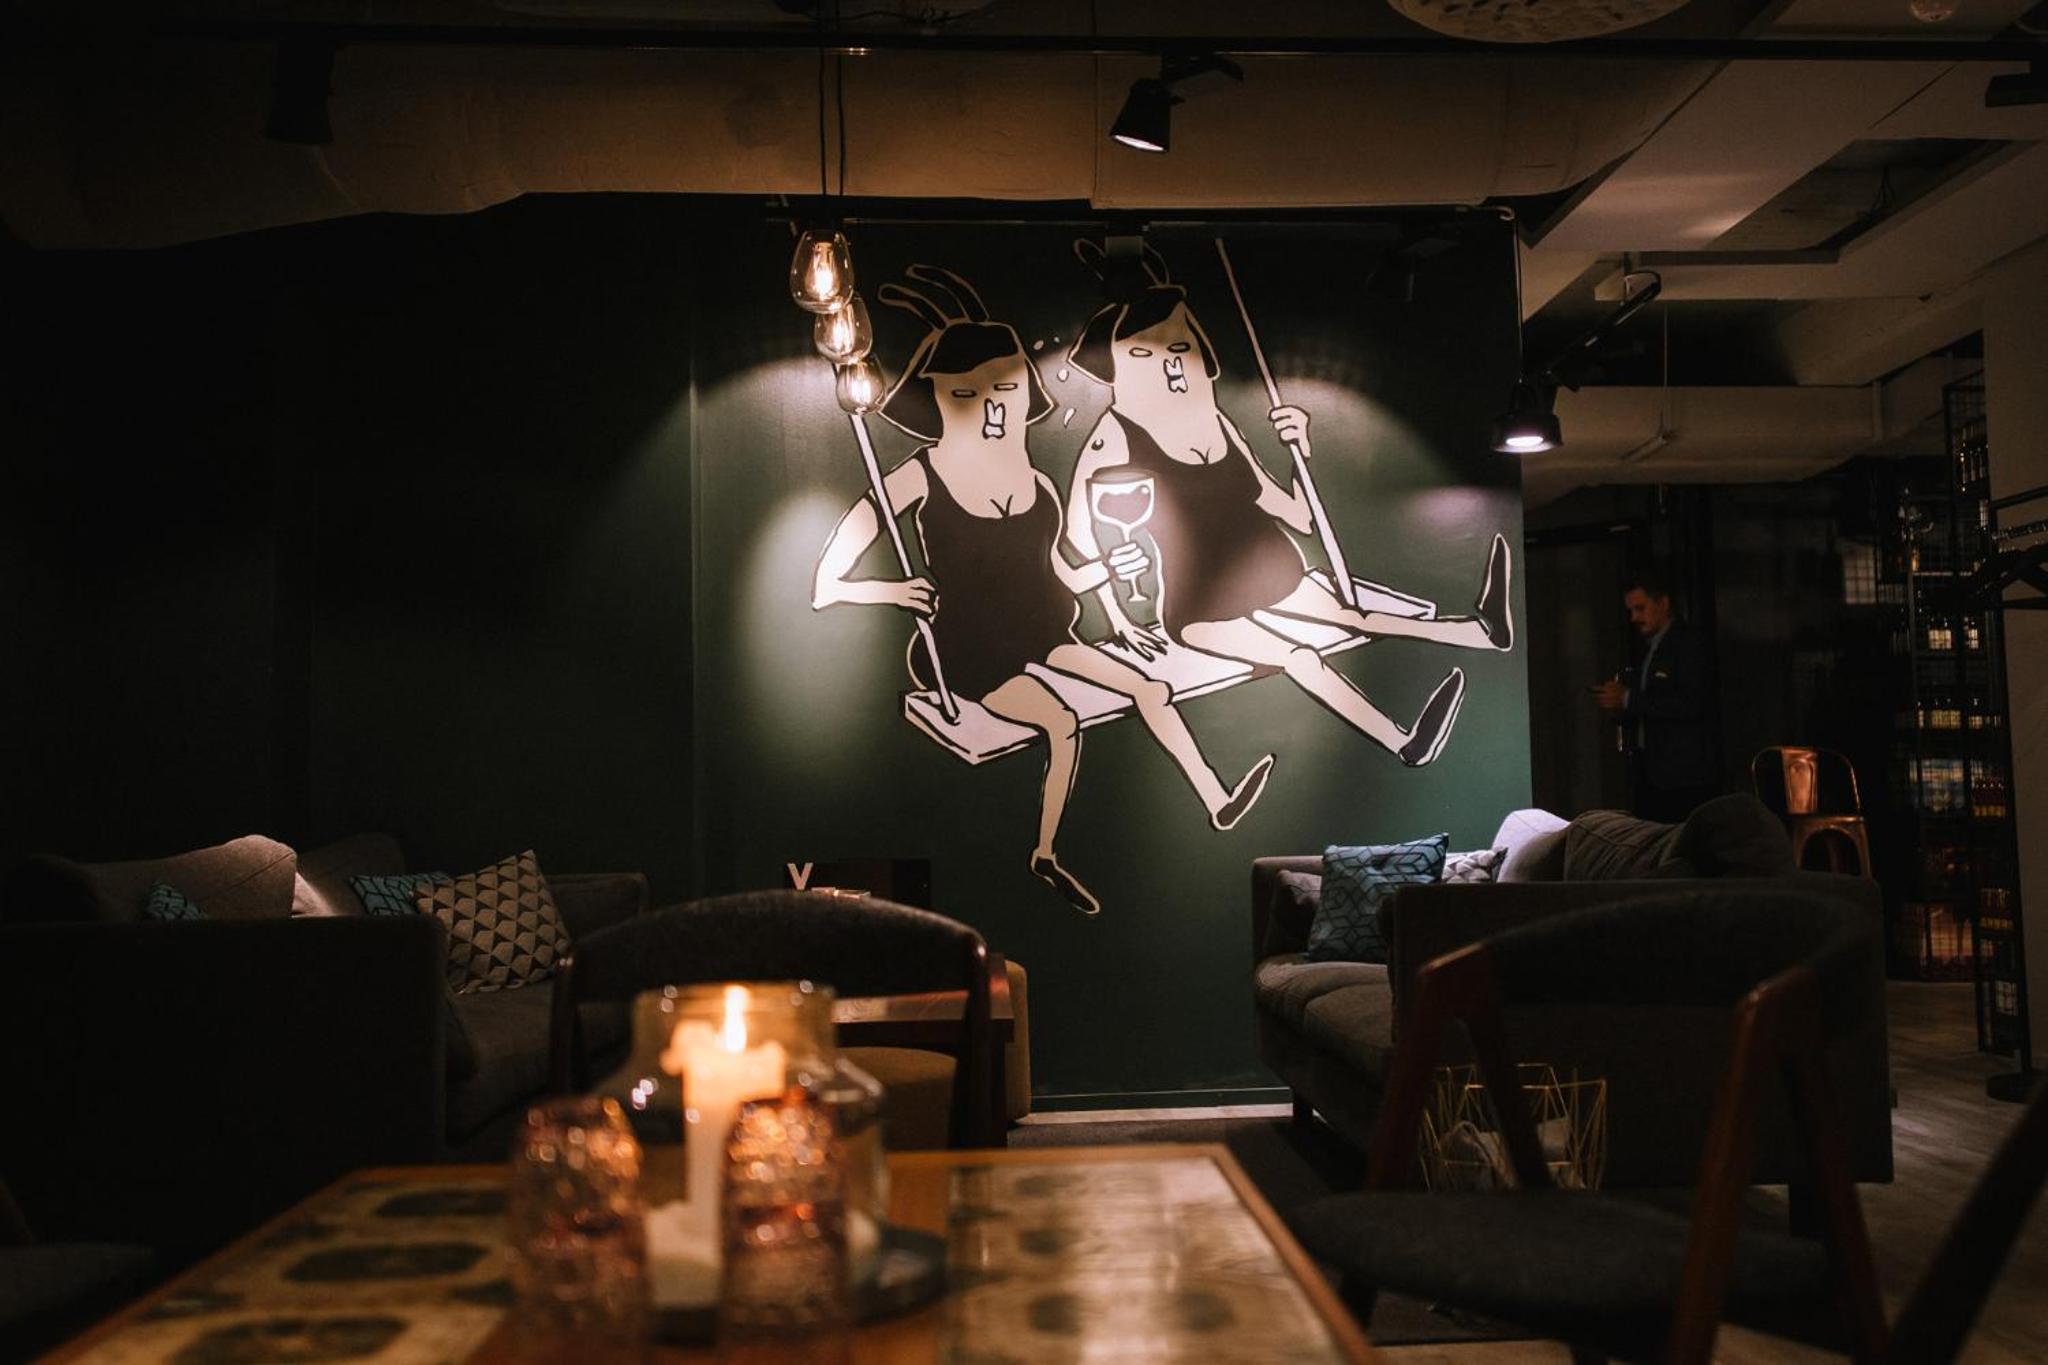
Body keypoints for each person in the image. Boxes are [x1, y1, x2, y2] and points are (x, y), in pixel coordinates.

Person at [813, 265, 1272, 918]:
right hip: (972, 652)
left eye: (1006, 388)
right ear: (940, 402)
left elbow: (1057, 574)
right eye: (967, 394)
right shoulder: (921, 475)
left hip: (1045, 632)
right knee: (1062, 722)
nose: (994, 408)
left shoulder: (1040, 485)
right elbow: (826, 583)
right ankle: (1047, 853)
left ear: (1026, 393)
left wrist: (1108, 566)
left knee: (1149, 688)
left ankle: (1216, 798)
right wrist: (891, 591)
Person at [1062, 246, 1511, 768]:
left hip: (1278, 573)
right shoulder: (1114, 438)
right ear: (1119, 369)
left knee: (1354, 615)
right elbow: (1076, 545)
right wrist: (1118, 610)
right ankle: (1404, 743)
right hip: (1198, 608)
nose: (1172, 366)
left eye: (1179, 348)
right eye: (1144, 355)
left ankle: (1479, 633)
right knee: (1300, 656)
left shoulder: (1218, 424)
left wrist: (1301, 449)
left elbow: (1296, 514)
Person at [1590, 570, 1719, 821]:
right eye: (1631, 611)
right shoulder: (1649, 648)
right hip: (1653, 769)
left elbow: (1691, 703)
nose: (1634, 618)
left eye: (1640, 608)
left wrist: (1628, 699)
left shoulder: (1687, 644)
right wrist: (1622, 706)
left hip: (1683, 774)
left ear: (1663, 603)